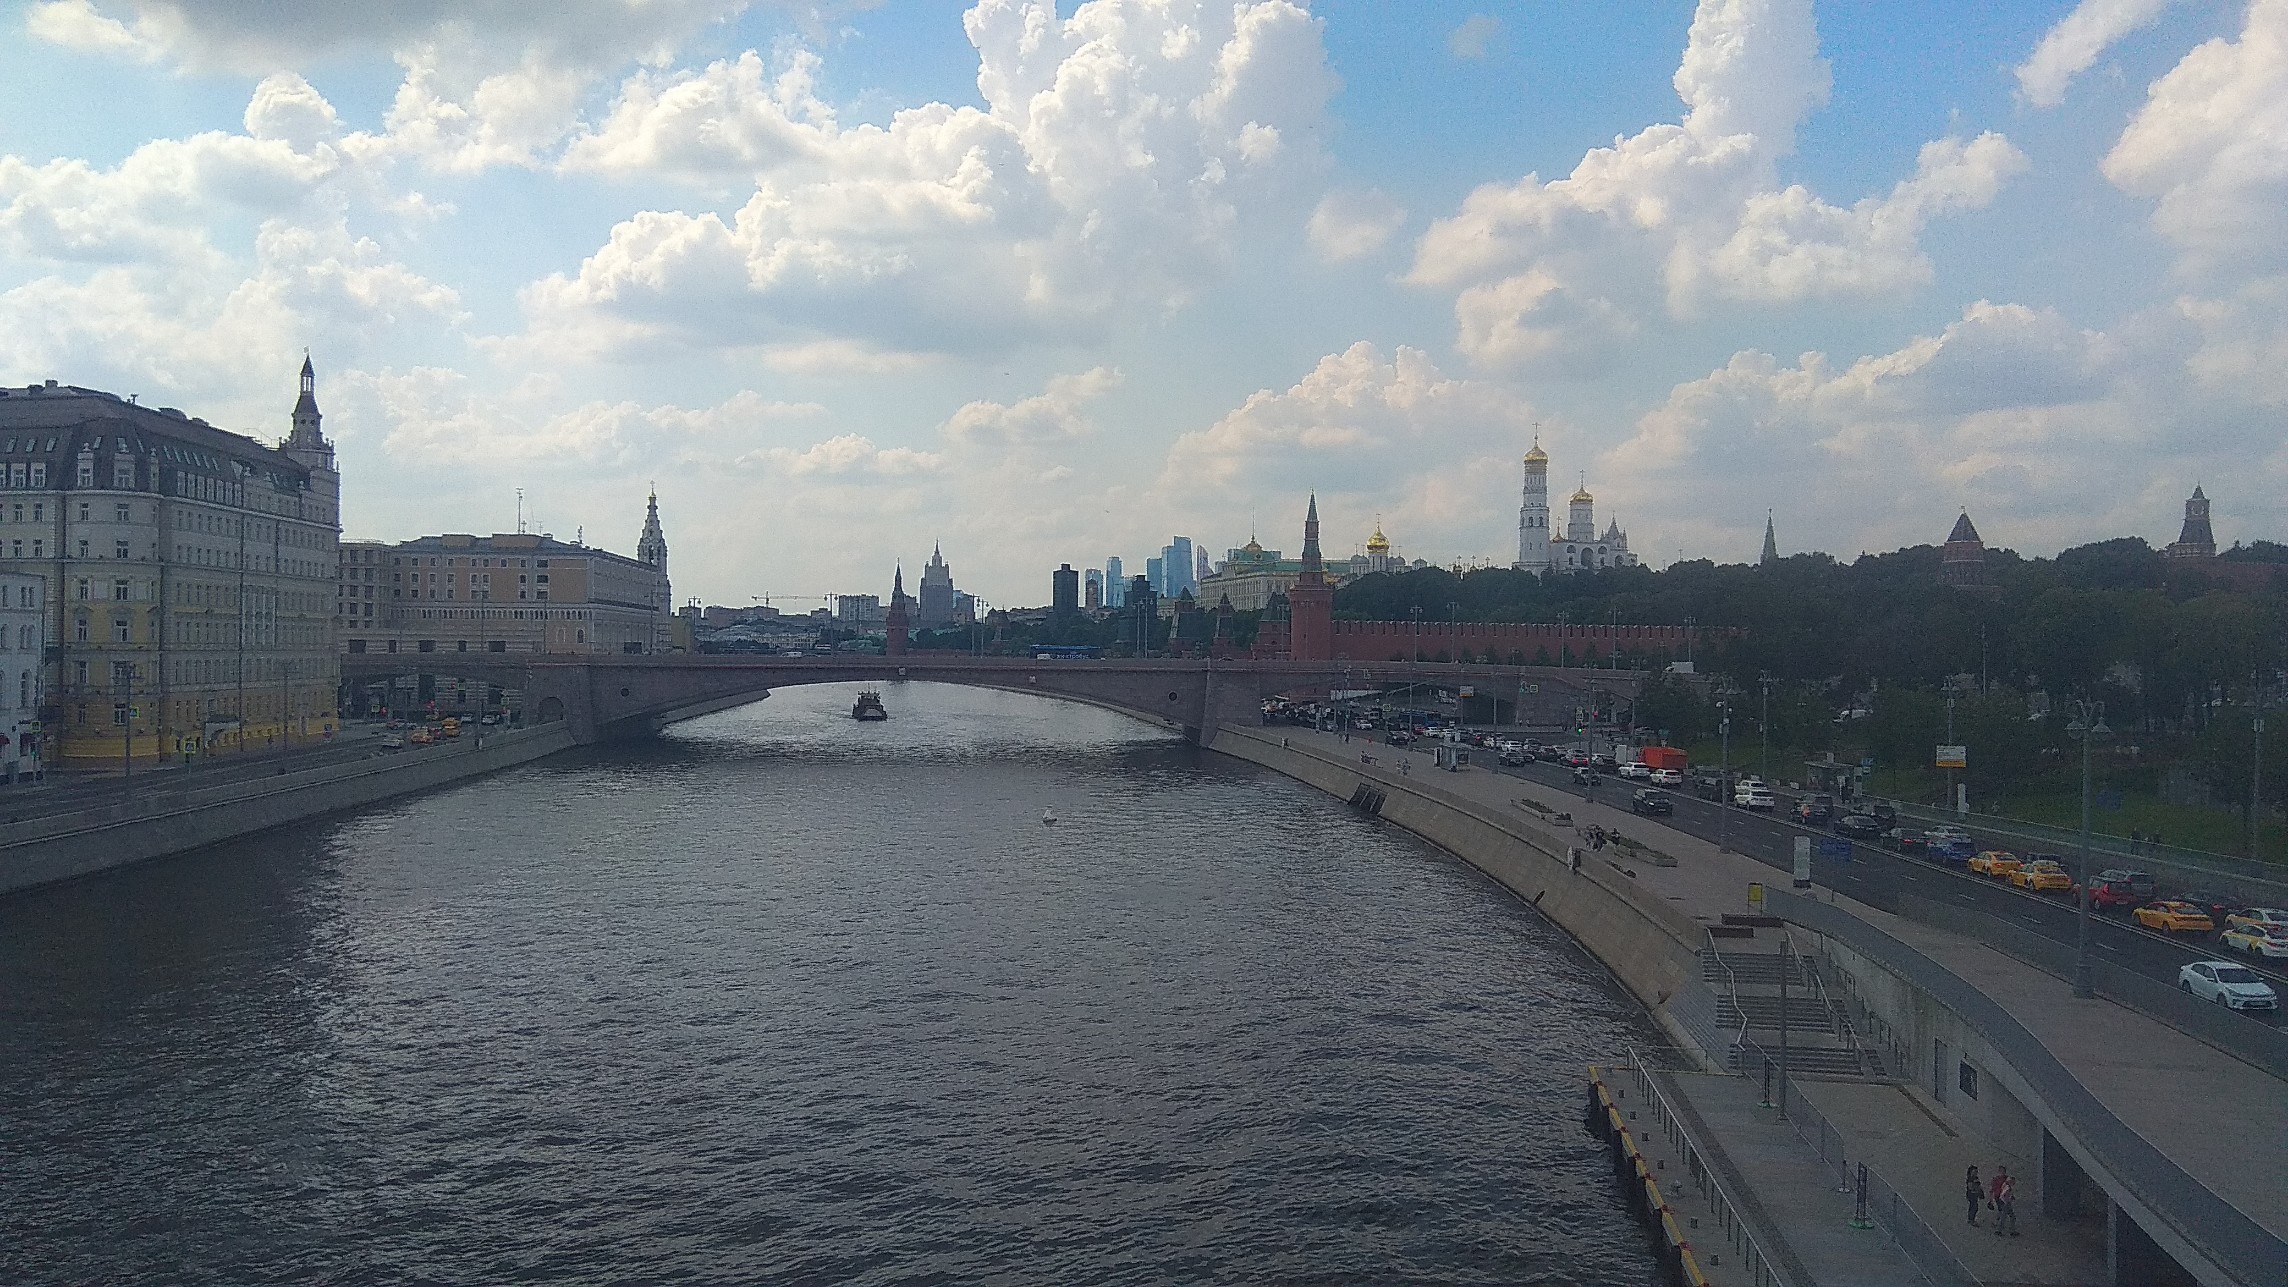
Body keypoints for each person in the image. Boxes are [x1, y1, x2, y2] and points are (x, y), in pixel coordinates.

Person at [1991, 1168, 2018, 1237]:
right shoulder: (2007, 1188)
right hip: (2006, 1204)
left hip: (2004, 1203)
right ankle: (2007, 1231)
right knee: (2007, 1217)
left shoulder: (2005, 1186)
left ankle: (2006, 1230)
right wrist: (2010, 1198)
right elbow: (2004, 1195)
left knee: (2006, 1216)